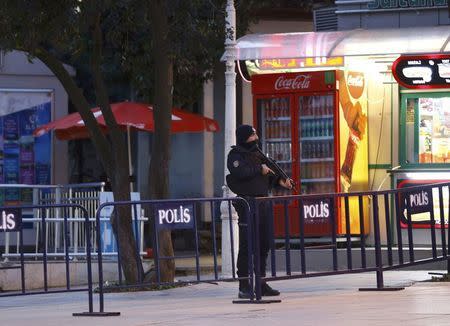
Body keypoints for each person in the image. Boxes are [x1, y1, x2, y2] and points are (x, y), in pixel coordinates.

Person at [226, 124, 293, 299]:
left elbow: (267, 177)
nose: (255, 138)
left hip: (263, 202)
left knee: (263, 244)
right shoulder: (235, 156)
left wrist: (280, 182)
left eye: (256, 134)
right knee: (247, 245)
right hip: (247, 204)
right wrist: (259, 169)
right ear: (243, 137)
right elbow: (241, 173)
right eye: (252, 135)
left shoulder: (258, 154)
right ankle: (244, 285)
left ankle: (261, 283)